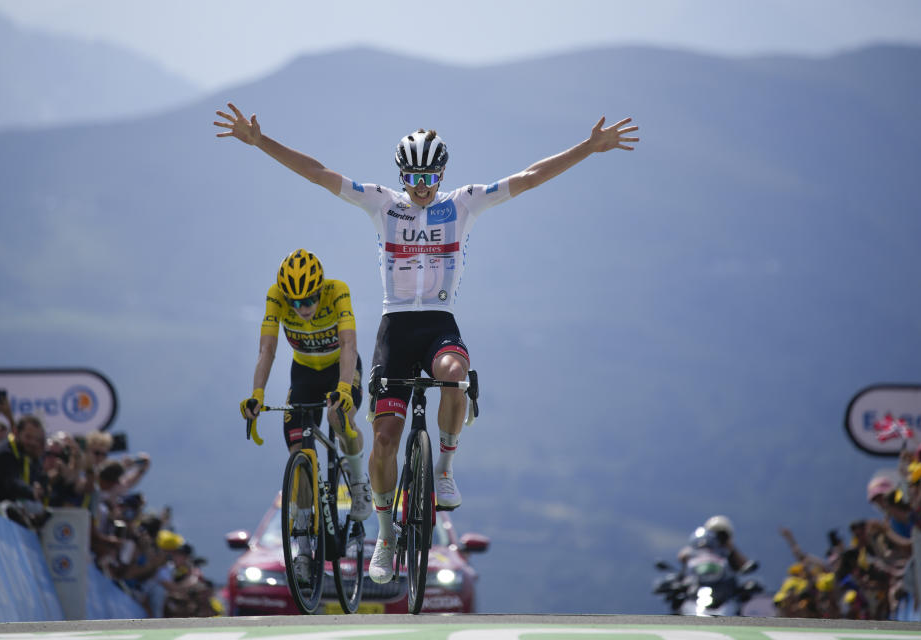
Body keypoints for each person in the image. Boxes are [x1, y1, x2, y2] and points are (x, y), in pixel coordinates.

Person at [215, 103, 639, 583]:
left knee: (456, 376)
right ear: (401, 174)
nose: (421, 186)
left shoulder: (463, 203)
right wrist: (260, 141)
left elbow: (530, 178)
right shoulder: (382, 203)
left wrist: (588, 146)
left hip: (439, 323)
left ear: (442, 173)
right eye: (413, 177)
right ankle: (385, 536)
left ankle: (444, 468)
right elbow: (317, 174)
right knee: (384, 439)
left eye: (429, 177)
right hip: (395, 329)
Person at [239, 249, 372, 527]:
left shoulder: (337, 291)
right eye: (295, 302)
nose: (303, 307)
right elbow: (267, 349)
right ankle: (301, 538)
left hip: (341, 367)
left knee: (340, 418)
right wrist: (257, 394)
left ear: (320, 289)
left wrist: (345, 389)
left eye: (310, 298)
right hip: (304, 374)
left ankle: (359, 482)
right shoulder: (275, 296)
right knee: (297, 451)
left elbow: (349, 344)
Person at [0, 414, 46, 504]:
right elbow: (12, 482)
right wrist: (32, 491)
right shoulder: (4, 453)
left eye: (36, 439)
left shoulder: (23, 453)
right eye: (28, 437)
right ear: (15, 432)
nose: (32, 443)